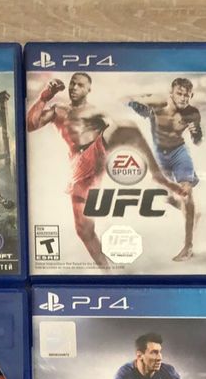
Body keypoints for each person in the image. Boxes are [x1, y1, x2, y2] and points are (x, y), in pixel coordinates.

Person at [27, 74, 182, 268]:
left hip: (98, 153)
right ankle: (107, 271)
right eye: (73, 83)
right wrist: (45, 96)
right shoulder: (58, 110)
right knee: (84, 230)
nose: (74, 87)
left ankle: (159, 179)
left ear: (88, 90)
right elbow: (30, 125)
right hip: (79, 168)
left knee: (127, 129)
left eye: (80, 85)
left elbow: (119, 131)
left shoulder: (95, 111)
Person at [128, 77, 203, 261]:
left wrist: (196, 133)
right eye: (180, 93)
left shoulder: (192, 113)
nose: (183, 98)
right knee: (166, 198)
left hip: (179, 153)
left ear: (191, 96)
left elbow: (197, 140)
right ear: (171, 93)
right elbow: (129, 101)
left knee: (186, 193)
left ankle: (188, 247)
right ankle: (192, 213)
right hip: (159, 156)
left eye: (187, 95)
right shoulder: (157, 106)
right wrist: (135, 103)